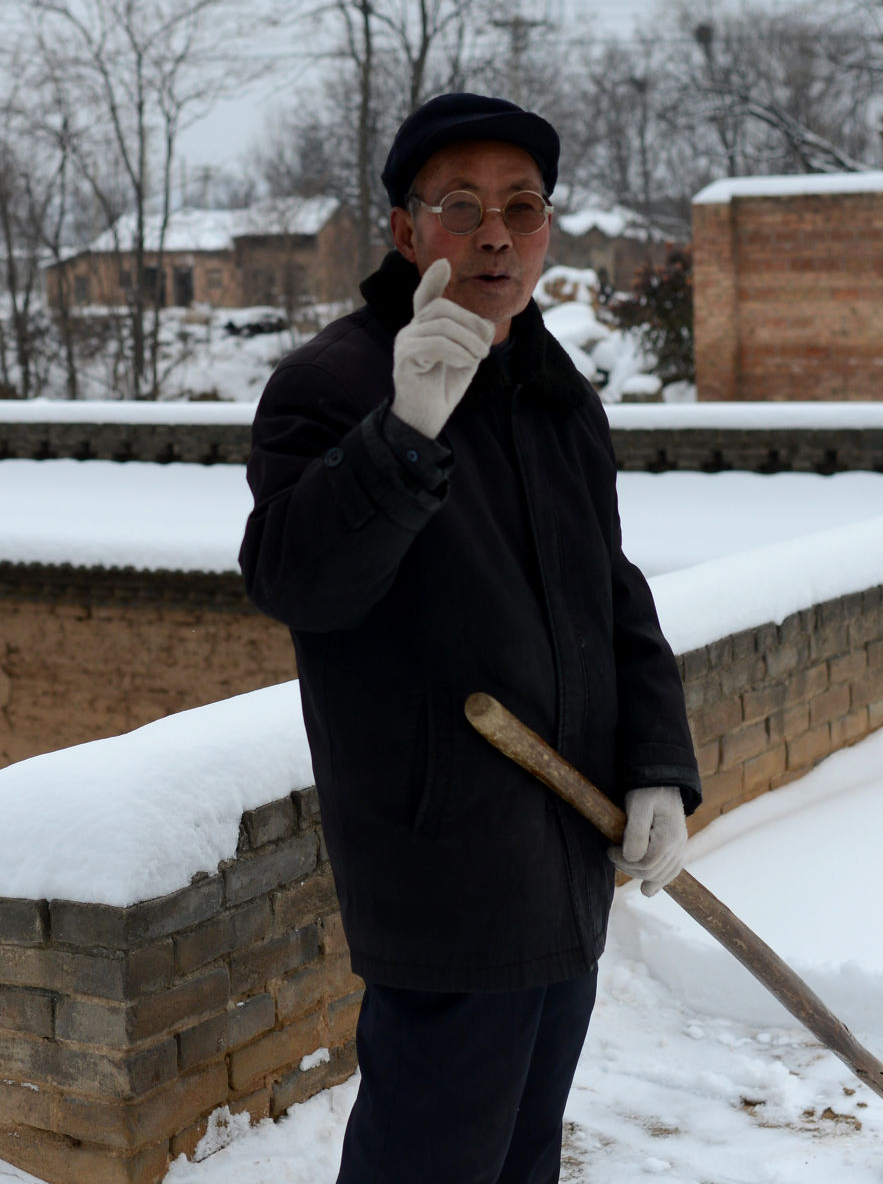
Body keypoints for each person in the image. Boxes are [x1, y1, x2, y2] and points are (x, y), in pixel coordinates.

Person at [240, 92, 701, 1184]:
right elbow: (297, 579)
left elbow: (614, 593)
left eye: (523, 205)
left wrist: (656, 769)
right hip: (442, 868)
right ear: (406, 231)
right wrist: (401, 434)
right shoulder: (334, 385)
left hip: (565, 855)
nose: (496, 232)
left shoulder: (558, 395)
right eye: (462, 205)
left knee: (523, 1155)